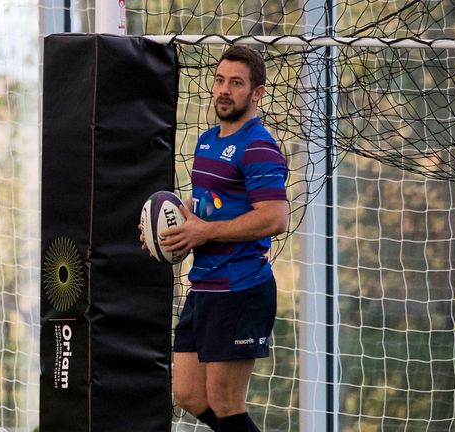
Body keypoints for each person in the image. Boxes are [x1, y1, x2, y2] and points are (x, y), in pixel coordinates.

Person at [143, 46, 288, 432]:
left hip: (241, 288)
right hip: (205, 284)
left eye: (236, 83)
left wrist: (204, 232)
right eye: (220, 80)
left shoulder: (258, 147)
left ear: (256, 92)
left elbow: (275, 218)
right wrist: (171, 234)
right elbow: (204, 210)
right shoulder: (207, 141)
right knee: (189, 395)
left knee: (226, 402)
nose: (224, 89)